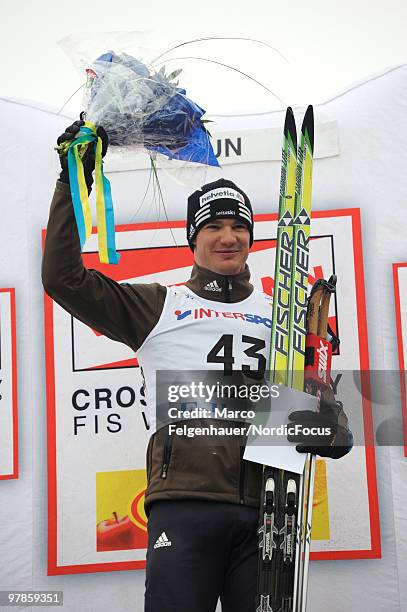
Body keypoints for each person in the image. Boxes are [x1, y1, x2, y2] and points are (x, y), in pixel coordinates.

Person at [42, 119, 353, 612]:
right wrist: (70, 182)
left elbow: (334, 426)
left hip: (268, 513)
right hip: (185, 509)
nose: (227, 237)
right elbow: (63, 279)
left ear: (251, 237)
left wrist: (326, 428)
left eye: (238, 226)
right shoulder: (156, 305)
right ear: (193, 238)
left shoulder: (285, 317)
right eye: (213, 226)